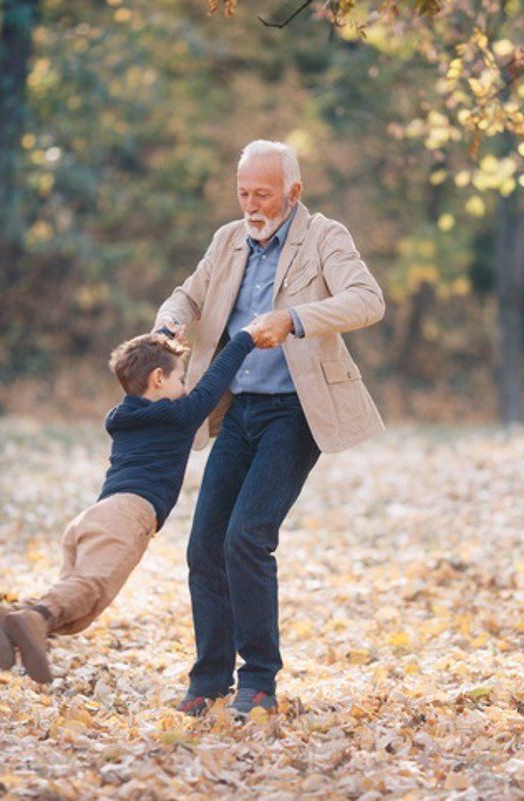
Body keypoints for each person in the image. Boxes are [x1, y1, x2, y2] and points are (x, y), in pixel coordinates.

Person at [155, 140, 385, 717]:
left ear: (293, 193)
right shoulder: (228, 240)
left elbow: (367, 300)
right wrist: (169, 322)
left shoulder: (325, 237)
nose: (252, 205)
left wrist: (296, 319)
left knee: (247, 538)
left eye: (263, 194)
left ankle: (259, 680)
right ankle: (209, 680)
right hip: (237, 410)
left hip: (295, 412)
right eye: (244, 194)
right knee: (205, 545)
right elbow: (191, 293)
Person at [0, 323, 266, 684]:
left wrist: (158, 339)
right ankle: (36, 617)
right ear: (158, 379)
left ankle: (14, 618)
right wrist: (244, 339)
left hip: (96, 514)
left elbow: (150, 371)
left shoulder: (122, 416)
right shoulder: (177, 415)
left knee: (81, 602)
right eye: (179, 379)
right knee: (91, 589)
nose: (185, 388)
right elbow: (214, 384)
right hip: (127, 516)